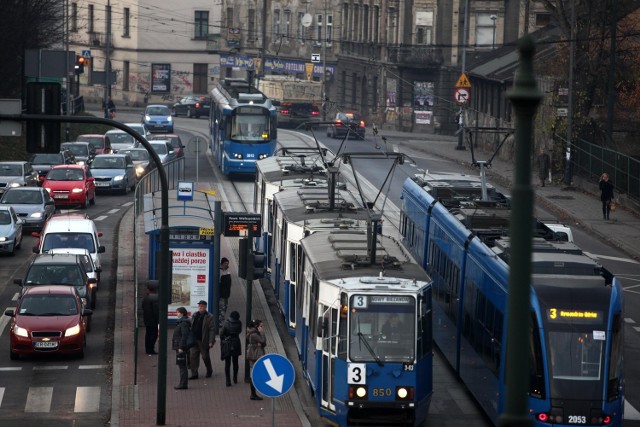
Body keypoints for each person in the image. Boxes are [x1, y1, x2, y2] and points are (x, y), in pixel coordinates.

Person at [189, 300, 216, 379]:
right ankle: (194, 373)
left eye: (202, 306)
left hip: (203, 340)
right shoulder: (195, 315)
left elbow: (212, 329)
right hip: (194, 340)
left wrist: (211, 341)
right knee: (193, 356)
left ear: (205, 307)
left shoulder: (209, 316)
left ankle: (209, 370)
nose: (200, 307)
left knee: (205, 357)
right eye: (199, 306)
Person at [220, 311, 242, 387]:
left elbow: (221, 333)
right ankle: (235, 378)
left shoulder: (226, 323)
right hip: (236, 343)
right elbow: (240, 331)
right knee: (235, 362)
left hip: (227, 344)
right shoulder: (239, 323)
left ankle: (227, 380)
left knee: (227, 363)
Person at [246, 319, 266, 400]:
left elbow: (263, 344)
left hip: (253, 355)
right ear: (256, 326)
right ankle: (253, 394)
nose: (262, 328)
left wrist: (261, 343)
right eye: (261, 326)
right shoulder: (254, 334)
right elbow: (263, 341)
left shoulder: (252, 332)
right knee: (254, 375)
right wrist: (262, 333)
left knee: (254, 373)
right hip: (256, 355)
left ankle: (253, 393)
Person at [172, 307, 191, 390]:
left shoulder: (183, 323)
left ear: (182, 313)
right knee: (181, 365)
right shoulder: (182, 322)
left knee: (182, 365)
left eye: (178, 313)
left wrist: (181, 347)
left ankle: (183, 383)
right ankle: (183, 383)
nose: (177, 314)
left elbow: (184, 336)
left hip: (181, 347)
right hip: (180, 345)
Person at [141, 281, 160, 355]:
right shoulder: (155, 298)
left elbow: (143, 307)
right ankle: (150, 349)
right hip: (153, 320)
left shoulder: (146, 297)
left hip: (147, 319)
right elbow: (156, 311)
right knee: (154, 334)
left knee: (148, 334)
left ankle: (148, 349)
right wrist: (158, 320)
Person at [218, 257, 232, 328]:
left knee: (224, 307)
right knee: (222, 308)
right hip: (221, 294)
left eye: (227, 263)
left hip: (226, 294)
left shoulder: (227, 272)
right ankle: (220, 323)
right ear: (222, 263)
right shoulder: (219, 271)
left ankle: (221, 322)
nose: (226, 265)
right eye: (225, 263)